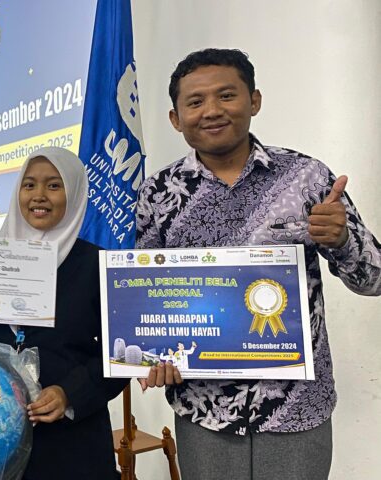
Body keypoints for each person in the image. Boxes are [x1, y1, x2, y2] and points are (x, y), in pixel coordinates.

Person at [136, 48, 381, 480]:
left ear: (254, 101)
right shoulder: (158, 193)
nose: (212, 110)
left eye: (227, 95)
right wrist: (152, 355)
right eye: (195, 101)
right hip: (204, 411)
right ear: (176, 118)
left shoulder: (306, 177)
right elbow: (145, 296)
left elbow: (374, 280)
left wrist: (343, 240)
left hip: (296, 405)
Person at [0, 147, 127, 480]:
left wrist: (69, 394)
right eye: (29, 185)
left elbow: (120, 354)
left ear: (74, 192)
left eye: (54, 185)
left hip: (71, 445)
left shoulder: (96, 264)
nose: (39, 195)